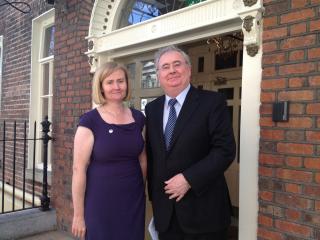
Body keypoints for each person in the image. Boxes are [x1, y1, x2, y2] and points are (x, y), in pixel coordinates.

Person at [145, 45, 236, 240]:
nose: (172, 70)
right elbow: (152, 156)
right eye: (165, 67)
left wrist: (188, 179)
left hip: (204, 212)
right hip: (166, 214)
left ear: (189, 69)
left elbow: (225, 150)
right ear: (159, 74)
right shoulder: (152, 109)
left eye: (177, 64)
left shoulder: (212, 102)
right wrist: (155, 199)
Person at [71, 62, 146, 240]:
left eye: (121, 81)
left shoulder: (139, 118)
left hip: (132, 199)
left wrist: (139, 188)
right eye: (110, 82)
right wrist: (79, 215)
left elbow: (143, 159)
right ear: (101, 87)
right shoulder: (89, 121)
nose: (116, 86)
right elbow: (78, 170)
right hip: (100, 200)